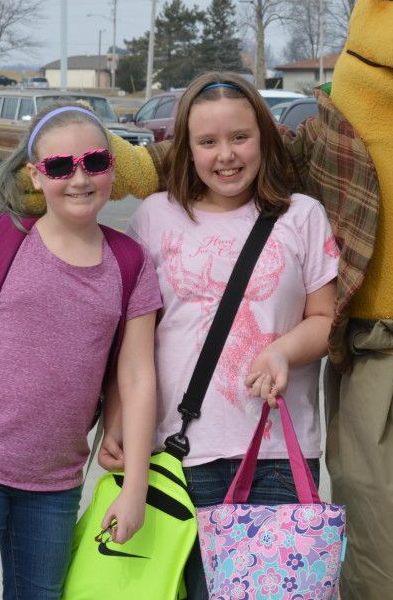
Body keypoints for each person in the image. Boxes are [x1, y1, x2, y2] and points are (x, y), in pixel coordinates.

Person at [0, 103, 160, 599]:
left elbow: (137, 378)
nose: (80, 178)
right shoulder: (0, 238)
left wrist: (135, 489)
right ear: (36, 177)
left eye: (95, 162)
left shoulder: (130, 263)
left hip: (54, 482)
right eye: (61, 167)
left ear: (112, 166)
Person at [110, 72, 338, 600]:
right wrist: (118, 413)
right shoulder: (153, 218)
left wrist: (282, 349)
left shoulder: (300, 216)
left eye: (239, 137)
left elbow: (325, 321)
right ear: (186, 151)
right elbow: (133, 340)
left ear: (264, 136)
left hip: (279, 452)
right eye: (207, 142)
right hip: (177, 452)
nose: (225, 155)